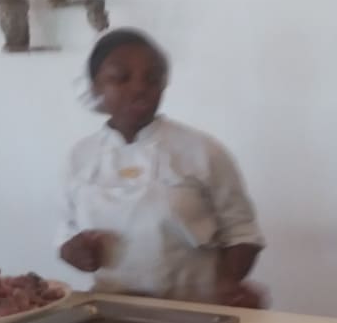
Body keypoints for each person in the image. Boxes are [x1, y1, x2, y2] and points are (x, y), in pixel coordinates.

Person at [59, 28, 266, 308]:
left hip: (196, 310)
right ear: (95, 86)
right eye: (121, 77)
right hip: (111, 311)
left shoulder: (202, 151)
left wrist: (228, 284)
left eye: (152, 78)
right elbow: (66, 233)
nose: (139, 88)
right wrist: (74, 252)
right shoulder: (80, 157)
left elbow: (243, 232)